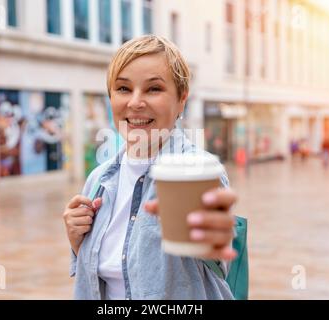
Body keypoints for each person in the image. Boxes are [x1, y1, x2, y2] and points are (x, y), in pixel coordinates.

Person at [63, 35, 240, 299]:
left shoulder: (195, 172)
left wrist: (212, 240)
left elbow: (218, 255)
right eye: (123, 89)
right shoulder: (98, 179)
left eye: (153, 89)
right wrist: (77, 242)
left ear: (182, 99)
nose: (135, 102)